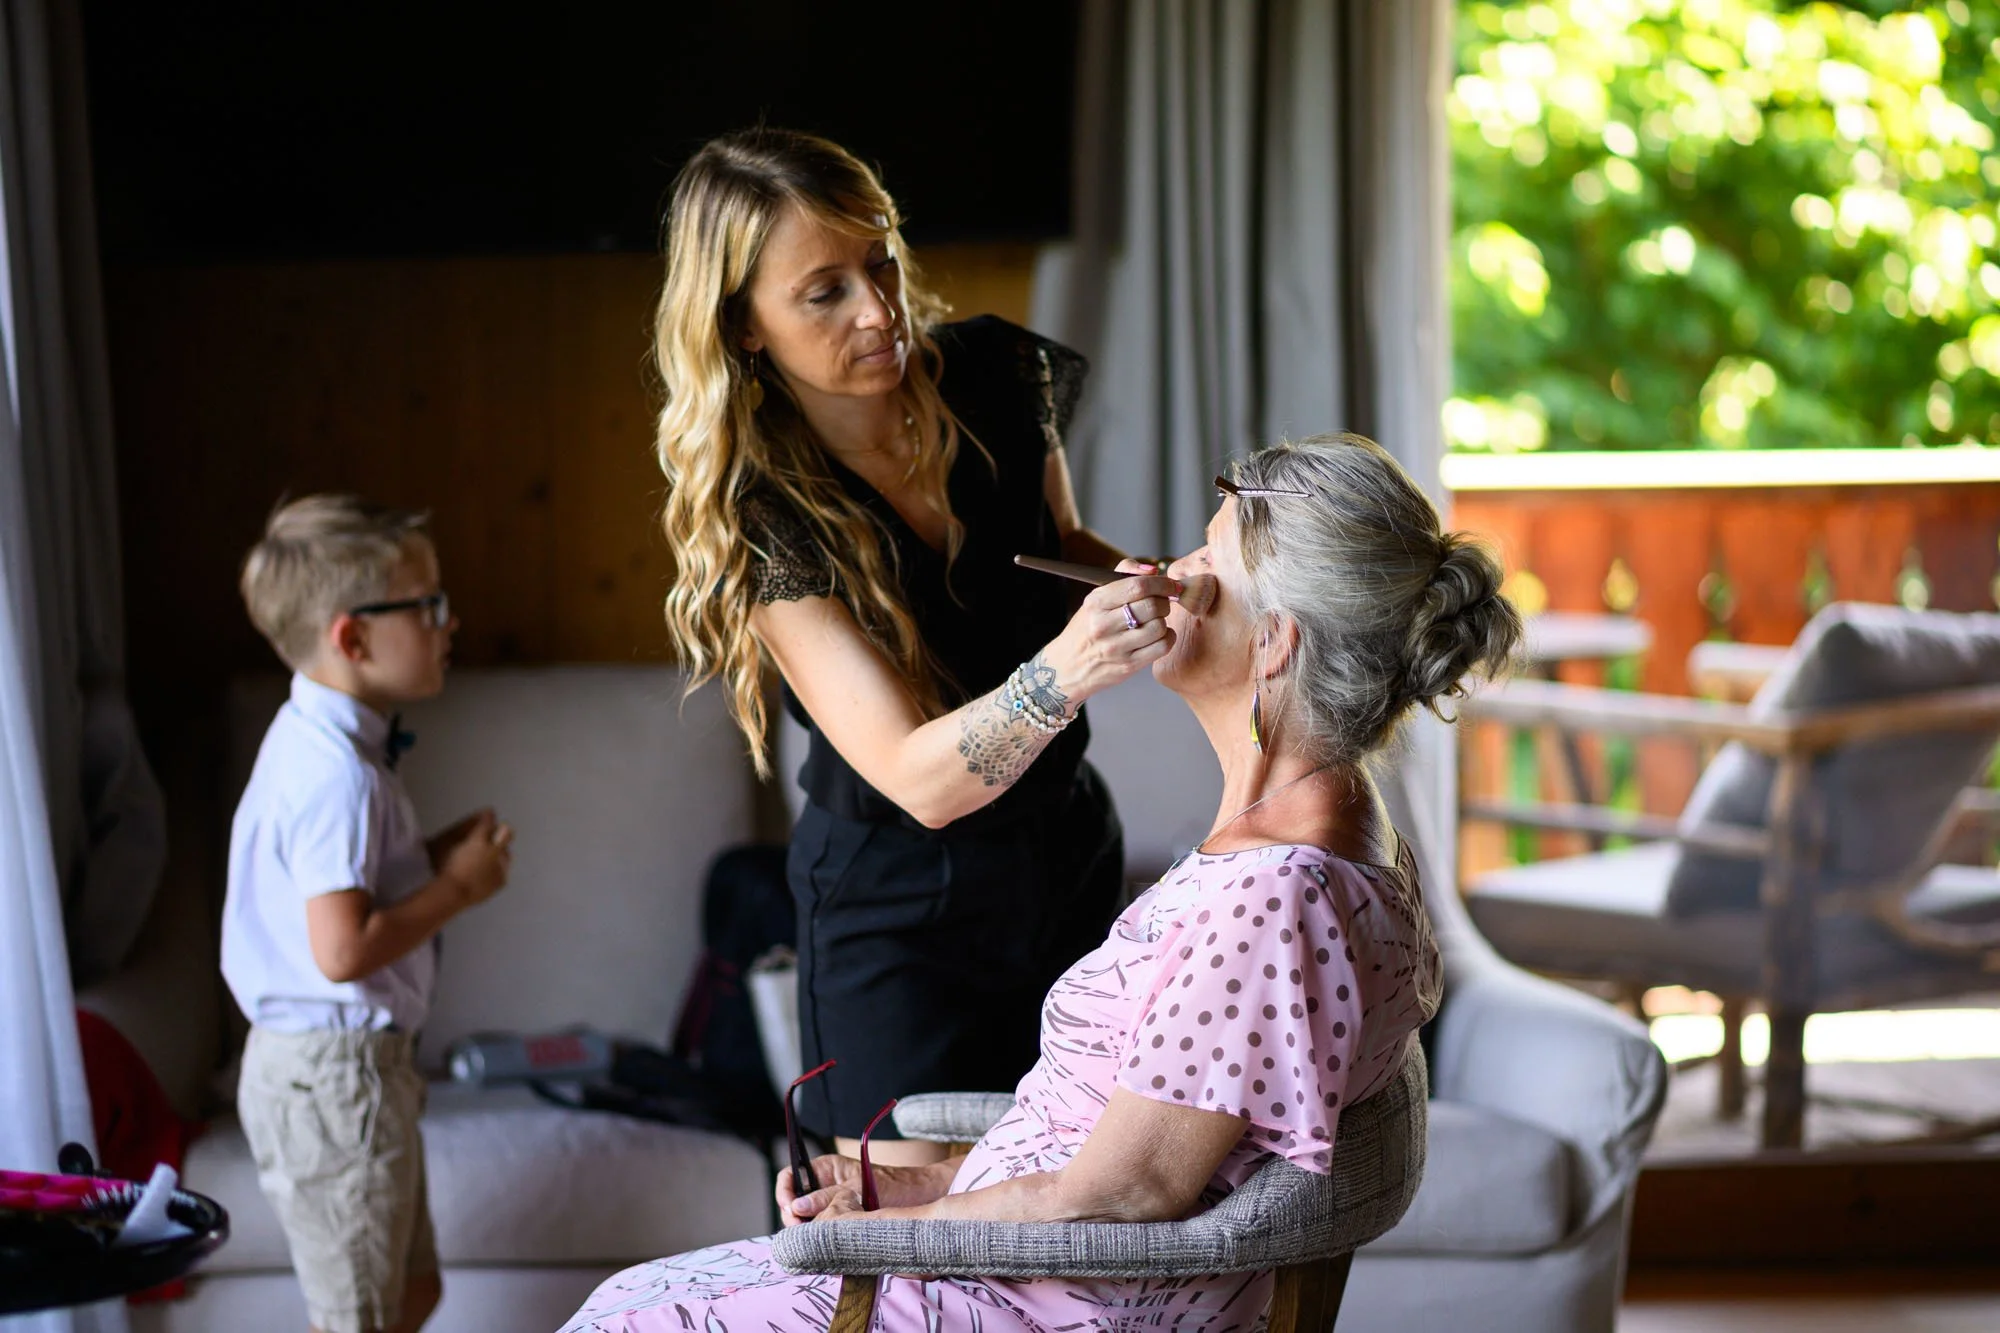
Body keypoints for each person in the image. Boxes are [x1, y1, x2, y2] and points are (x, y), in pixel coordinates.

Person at [559, 431, 1524, 1332]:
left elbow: (1120, 1194)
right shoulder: (1339, 822)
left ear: (1275, 644)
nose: (1160, 575)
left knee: (618, 1316)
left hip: (1042, 1304)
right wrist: (922, 1187)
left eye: (1202, 567)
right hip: (1034, 1269)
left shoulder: (1276, 899)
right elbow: (1127, 1150)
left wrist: (877, 1236)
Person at [654, 127, 1175, 1160]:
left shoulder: (996, 371)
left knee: (1090, 1206)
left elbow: (1061, 544)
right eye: (823, 291)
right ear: (743, 327)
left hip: (1064, 857)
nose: (878, 308)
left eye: (880, 261)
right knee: (913, 1256)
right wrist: (1067, 668)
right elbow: (916, 779)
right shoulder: (763, 517)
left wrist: (1175, 589)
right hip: (898, 918)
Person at [221, 495, 515, 1333]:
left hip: (355, 1072)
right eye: (427, 606)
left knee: (412, 1294)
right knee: (354, 1317)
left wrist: (427, 857)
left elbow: (347, 890)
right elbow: (342, 949)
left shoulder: (333, 744)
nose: (448, 622)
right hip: (335, 1078)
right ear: (351, 638)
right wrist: (458, 888)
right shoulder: (333, 774)